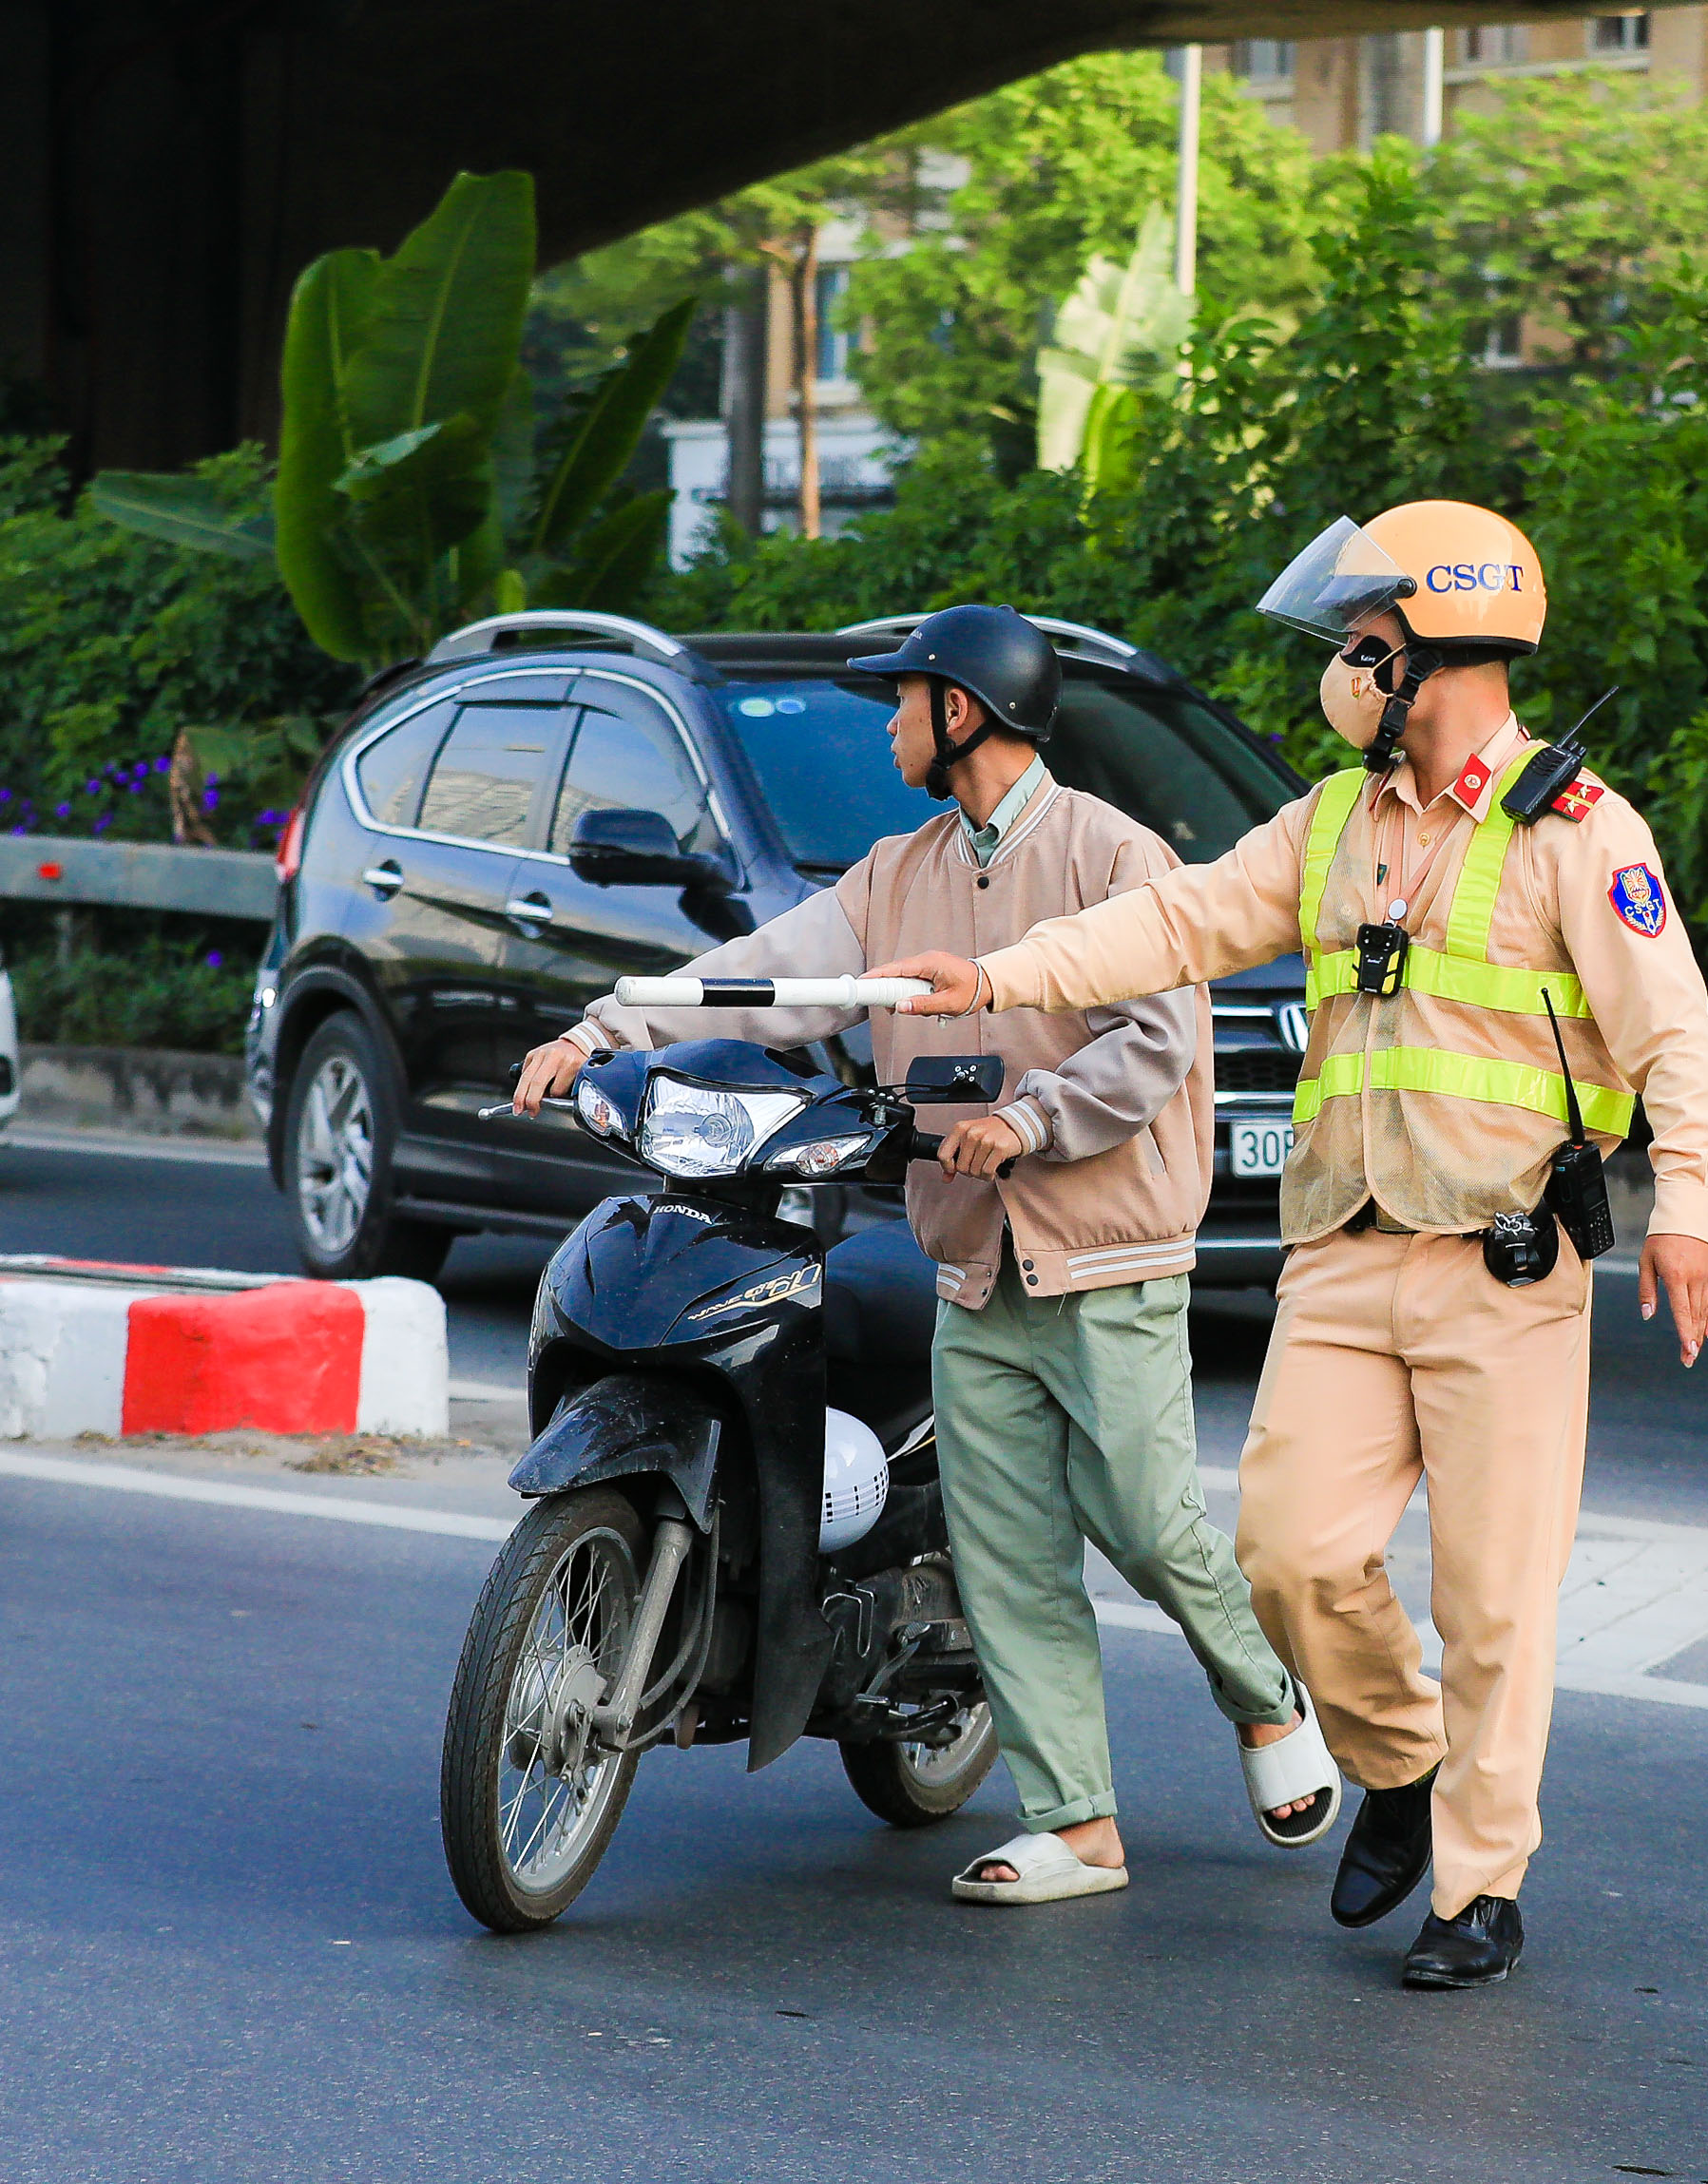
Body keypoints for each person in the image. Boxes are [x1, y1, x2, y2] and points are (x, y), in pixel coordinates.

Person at [870, 504, 1708, 1988]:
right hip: (1337, 1254)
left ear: (1429, 650)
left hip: (1500, 1264)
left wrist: (1689, 1209)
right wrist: (996, 974)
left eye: (1359, 643)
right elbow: (1172, 922)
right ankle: (1394, 1763)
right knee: (1283, 1551)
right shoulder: (1328, 820)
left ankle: (1477, 1884)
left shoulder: (1573, 831)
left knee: (1490, 1595)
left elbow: (1671, 1028)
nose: (1341, 669)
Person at [509, 603, 1340, 1905]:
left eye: (902, 702)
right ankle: (1078, 1824)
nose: (887, 723)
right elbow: (768, 975)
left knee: (1144, 1519)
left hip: (1102, 1252)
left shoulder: (1118, 857)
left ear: (963, 712)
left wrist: (1027, 1116)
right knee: (1005, 1545)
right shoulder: (896, 872)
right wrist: (606, 1029)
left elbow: (1154, 1040)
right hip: (969, 1257)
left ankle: (1260, 1690)